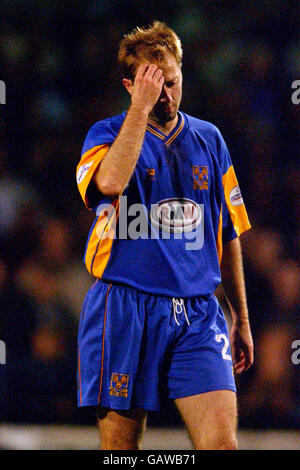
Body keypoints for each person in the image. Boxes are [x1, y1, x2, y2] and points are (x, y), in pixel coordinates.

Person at [76, 21, 254, 450]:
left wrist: (241, 317)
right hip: (124, 307)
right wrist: (139, 111)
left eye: (171, 82)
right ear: (130, 86)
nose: (165, 95)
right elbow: (112, 183)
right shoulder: (104, 135)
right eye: (153, 86)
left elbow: (228, 232)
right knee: (121, 453)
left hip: (196, 312)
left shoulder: (210, 139)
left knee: (222, 446)